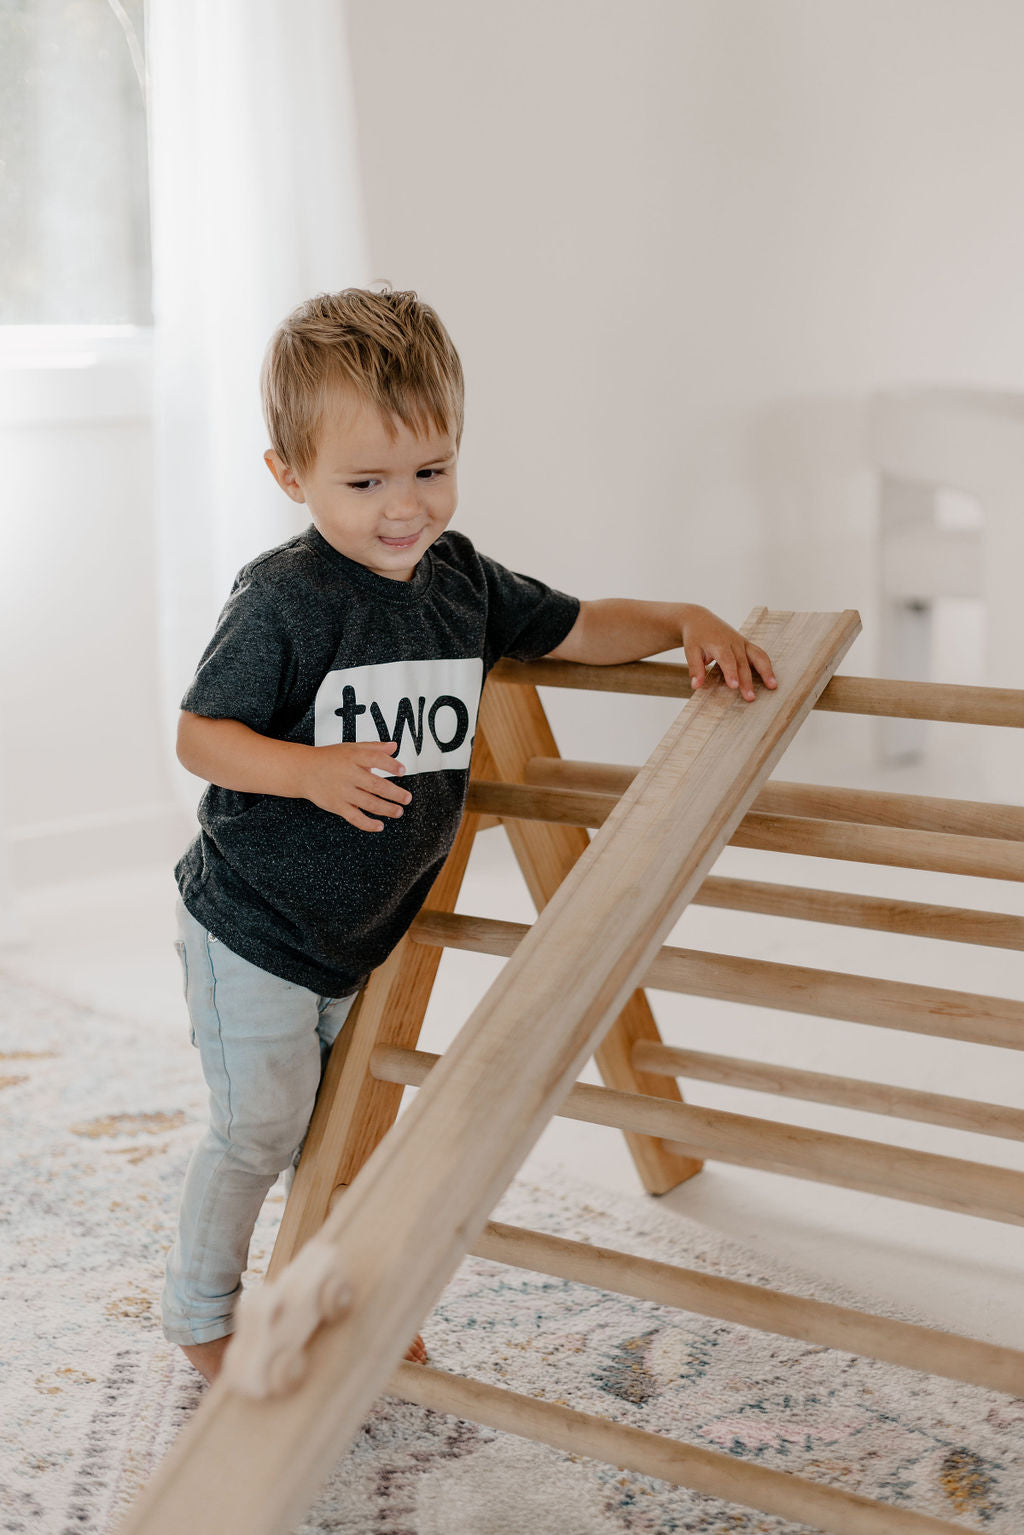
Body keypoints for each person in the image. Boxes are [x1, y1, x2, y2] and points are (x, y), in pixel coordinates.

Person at [163, 286, 777, 1385]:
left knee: (343, 1136)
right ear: (289, 477)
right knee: (262, 1128)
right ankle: (203, 1308)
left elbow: (580, 626)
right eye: (364, 483)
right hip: (253, 923)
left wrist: (684, 618)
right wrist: (305, 770)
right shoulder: (286, 601)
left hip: (359, 934)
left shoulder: (461, 585)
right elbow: (201, 737)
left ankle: (343, 1291)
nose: (405, 508)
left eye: (429, 470)